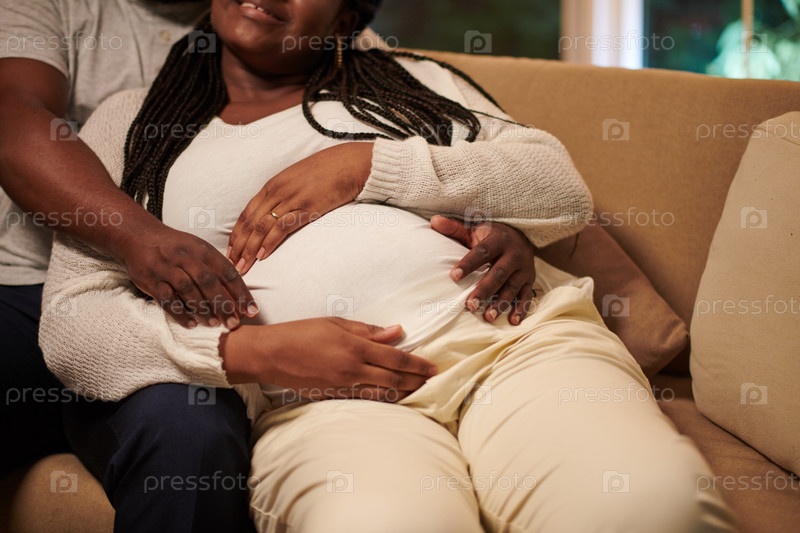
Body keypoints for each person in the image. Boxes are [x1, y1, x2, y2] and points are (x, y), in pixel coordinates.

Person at [40, 0, 736, 531]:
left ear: (345, 19)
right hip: (324, 402)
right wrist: (251, 352)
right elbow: (73, 324)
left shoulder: (412, 82)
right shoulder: (133, 122)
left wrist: (368, 164)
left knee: (649, 507)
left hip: (512, 346)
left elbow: (558, 187)